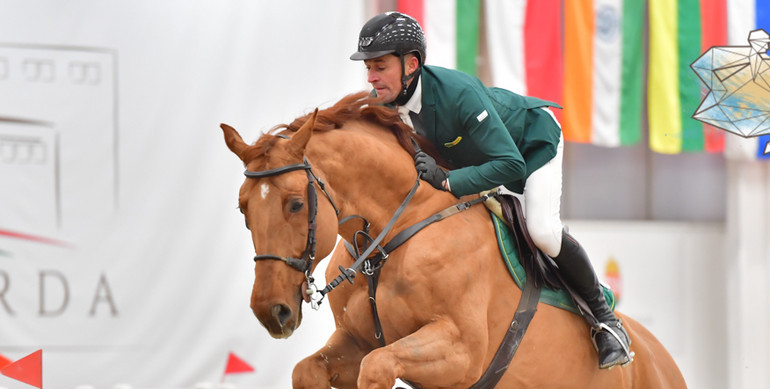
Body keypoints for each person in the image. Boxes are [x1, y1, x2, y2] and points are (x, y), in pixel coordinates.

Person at [350, 11, 633, 369]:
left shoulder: (458, 94)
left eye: (379, 67)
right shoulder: (384, 104)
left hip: (531, 146)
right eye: (368, 69)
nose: (372, 77)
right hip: (477, 159)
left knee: (542, 231)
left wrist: (448, 181)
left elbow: (511, 165)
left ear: (411, 64)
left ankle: (606, 320)